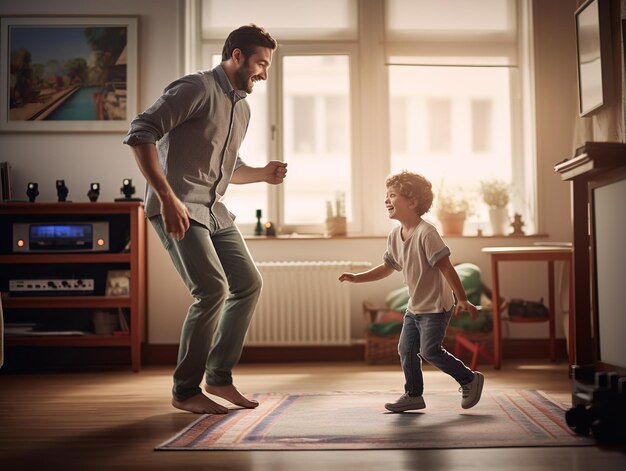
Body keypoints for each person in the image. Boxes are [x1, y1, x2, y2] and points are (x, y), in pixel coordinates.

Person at [123, 25, 286, 415]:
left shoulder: (241, 107)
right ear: (236, 57)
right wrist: (167, 198)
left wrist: (262, 172)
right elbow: (140, 131)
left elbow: (229, 168)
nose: (264, 73)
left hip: (213, 211)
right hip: (177, 207)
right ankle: (185, 389)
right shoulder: (195, 88)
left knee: (248, 283)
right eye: (260, 63)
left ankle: (218, 377)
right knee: (211, 289)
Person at [339, 171, 484, 412]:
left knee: (430, 351)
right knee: (405, 350)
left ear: (412, 202)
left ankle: (469, 379)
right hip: (415, 307)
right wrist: (358, 278)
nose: (387, 200)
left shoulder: (427, 233)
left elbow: (446, 267)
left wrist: (463, 299)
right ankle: (413, 395)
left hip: (436, 307)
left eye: (393, 195)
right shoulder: (395, 235)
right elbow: (387, 267)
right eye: (386, 195)